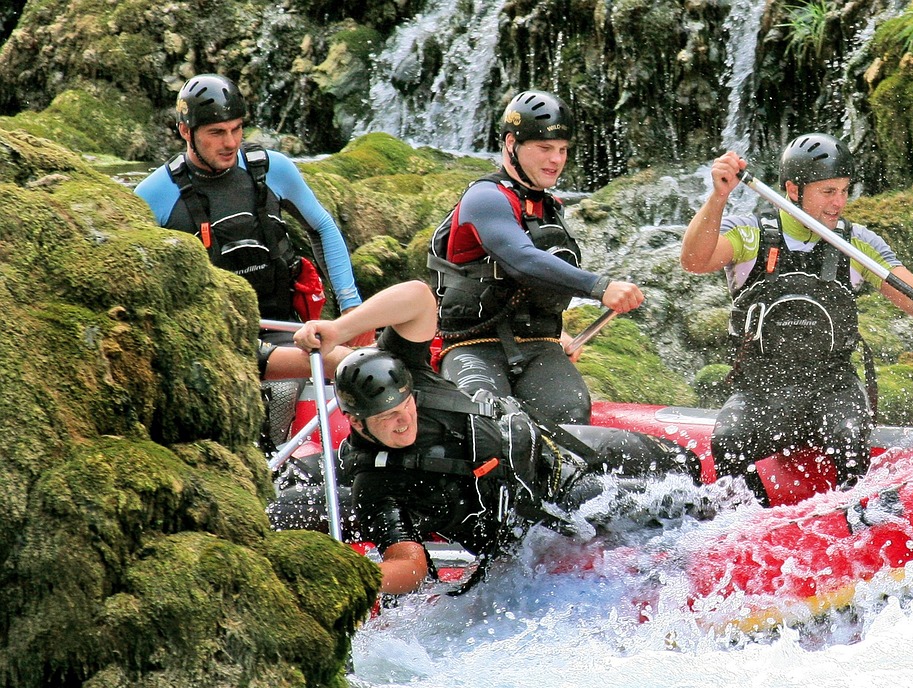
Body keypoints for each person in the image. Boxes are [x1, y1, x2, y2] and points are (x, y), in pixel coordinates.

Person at [291, 280, 698, 595]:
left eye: (405, 408)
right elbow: (410, 564)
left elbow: (417, 296)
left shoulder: (410, 372)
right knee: (676, 509)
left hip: (552, 447)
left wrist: (339, 328)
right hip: (543, 511)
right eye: (386, 419)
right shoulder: (377, 485)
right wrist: (355, 579)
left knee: (684, 464)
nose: (403, 422)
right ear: (357, 424)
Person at [680, 133, 913, 502]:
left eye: (844, 191)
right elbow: (694, 261)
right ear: (793, 189)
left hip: (833, 388)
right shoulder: (750, 233)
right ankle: (750, 525)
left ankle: (857, 522)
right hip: (762, 390)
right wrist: (718, 198)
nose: (839, 203)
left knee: (848, 436)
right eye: (828, 192)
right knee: (729, 441)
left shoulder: (857, 243)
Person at [134, 72, 373, 384]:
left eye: (236, 129)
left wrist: (350, 306)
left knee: (359, 368)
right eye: (217, 132)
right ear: (185, 131)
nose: (231, 142)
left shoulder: (272, 169)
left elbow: (323, 228)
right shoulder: (154, 195)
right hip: (214, 341)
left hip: (285, 330)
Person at [428, 89, 644, 425]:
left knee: (572, 415)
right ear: (511, 144)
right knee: (490, 420)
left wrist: (559, 336)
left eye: (562, 150)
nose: (556, 159)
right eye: (544, 148)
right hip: (472, 346)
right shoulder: (485, 198)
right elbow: (523, 260)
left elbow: (536, 285)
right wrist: (600, 286)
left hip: (538, 346)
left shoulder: (549, 207)